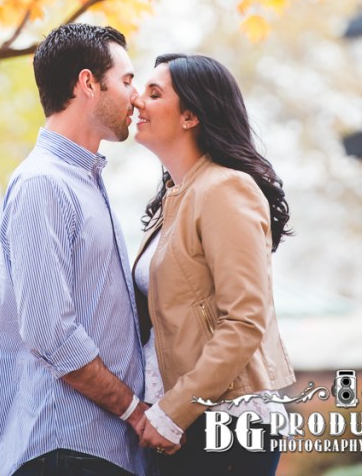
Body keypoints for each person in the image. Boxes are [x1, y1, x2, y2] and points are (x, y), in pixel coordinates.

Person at [0, 22, 149, 476]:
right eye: (128, 80)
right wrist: (135, 411)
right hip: (67, 451)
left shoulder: (85, 181)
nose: (136, 95)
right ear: (88, 83)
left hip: (99, 452)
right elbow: (52, 334)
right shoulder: (45, 184)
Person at [131, 53, 295, 476]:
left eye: (154, 93)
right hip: (183, 420)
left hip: (226, 423)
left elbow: (244, 320)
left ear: (189, 116)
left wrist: (173, 411)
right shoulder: (176, 198)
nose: (137, 101)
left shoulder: (225, 187)